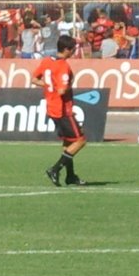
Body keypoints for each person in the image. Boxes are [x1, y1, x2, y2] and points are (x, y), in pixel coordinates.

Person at [33, 35, 87, 187]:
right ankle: (55, 169)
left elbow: (34, 79)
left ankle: (70, 176)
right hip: (63, 110)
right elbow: (63, 90)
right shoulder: (63, 66)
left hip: (51, 107)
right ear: (66, 49)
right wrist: (70, 83)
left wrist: (49, 85)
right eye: (73, 49)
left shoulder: (47, 61)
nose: (74, 52)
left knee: (68, 141)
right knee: (80, 141)